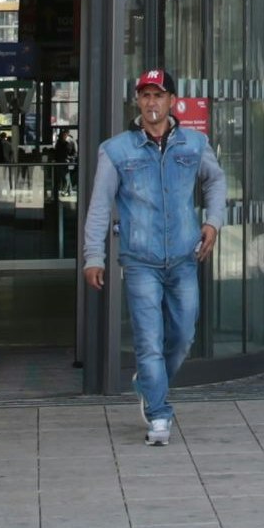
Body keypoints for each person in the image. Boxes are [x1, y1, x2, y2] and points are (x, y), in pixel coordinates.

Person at [83, 70, 227, 447]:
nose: (151, 103)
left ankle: (148, 383)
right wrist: (92, 256)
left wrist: (213, 222)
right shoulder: (116, 150)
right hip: (141, 261)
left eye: (158, 95)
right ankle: (159, 415)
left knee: (182, 337)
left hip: (183, 258)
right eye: (145, 96)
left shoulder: (195, 144)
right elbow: (99, 206)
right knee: (149, 341)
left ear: (172, 101)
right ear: (137, 102)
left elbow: (216, 180)